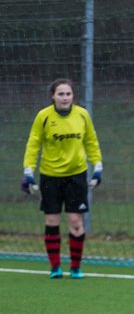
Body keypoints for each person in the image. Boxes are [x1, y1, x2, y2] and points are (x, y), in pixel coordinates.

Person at [22, 78, 103, 279]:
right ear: (53, 96)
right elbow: (33, 144)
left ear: (73, 96)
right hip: (50, 176)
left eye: (68, 94)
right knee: (52, 220)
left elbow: (91, 141)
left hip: (76, 176)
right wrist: (28, 172)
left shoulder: (82, 115)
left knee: (76, 221)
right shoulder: (44, 116)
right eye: (60, 94)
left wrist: (98, 167)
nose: (65, 97)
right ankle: (55, 267)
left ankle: (75, 267)